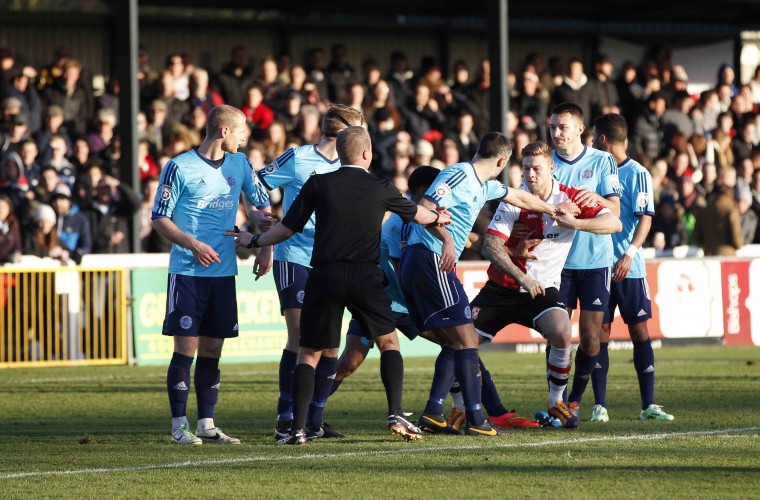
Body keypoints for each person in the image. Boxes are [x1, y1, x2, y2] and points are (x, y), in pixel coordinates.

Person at [231, 127, 450, 445]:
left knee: (308, 352)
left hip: (324, 275)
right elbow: (419, 215)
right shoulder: (381, 186)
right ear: (366, 154)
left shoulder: (319, 183)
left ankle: (298, 430)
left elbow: (287, 229)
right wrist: (439, 218)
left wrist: (253, 240)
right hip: (365, 276)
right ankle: (396, 414)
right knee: (389, 343)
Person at [399, 132, 577, 437]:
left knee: (458, 339)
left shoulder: (486, 186)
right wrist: (446, 241)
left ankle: (437, 412)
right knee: (464, 339)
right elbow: (423, 208)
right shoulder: (456, 175)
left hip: (430, 262)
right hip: (429, 258)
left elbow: (519, 197)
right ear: (502, 161)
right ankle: (473, 418)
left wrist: (552, 210)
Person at [471, 140, 620, 429]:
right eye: (526, 169)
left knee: (562, 331)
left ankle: (556, 402)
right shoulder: (515, 200)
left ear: (552, 168)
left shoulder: (571, 198)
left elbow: (614, 223)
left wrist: (576, 224)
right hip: (502, 288)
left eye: (536, 169)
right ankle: (461, 408)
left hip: (542, 291)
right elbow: (490, 247)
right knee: (461, 342)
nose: (530, 175)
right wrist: (522, 276)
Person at [151, 105, 273, 446]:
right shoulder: (179, 167)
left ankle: (206, 423)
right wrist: (192, 244)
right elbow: (159, 217)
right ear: (224, 132)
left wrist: (267, 246)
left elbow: (261, 208)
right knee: (186, 349)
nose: (245, 137)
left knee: (212, 351)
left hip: (223, 273)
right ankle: (179, 427)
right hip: (188, 272)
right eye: (241, 131)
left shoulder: (241, 163)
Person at [254, 104, 364, 441]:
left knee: (330, 345)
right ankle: (286, 417)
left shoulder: (353, 165)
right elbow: (257, 183)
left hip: (331, 260)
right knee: (302, 337)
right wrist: (265, 230)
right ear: (346, 129)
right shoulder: (297, 157)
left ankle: (314, 420)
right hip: (294, 256)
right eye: (361, 127)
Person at [589, 113, 675, 422]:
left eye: (591, 137)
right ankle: (600, 406)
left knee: (639, 331)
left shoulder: (638, 173)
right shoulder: (595, 170)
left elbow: (645, 218)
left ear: (602, 140)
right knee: (600, 334)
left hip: (630, 267)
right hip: (598, 266)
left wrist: (629, 253)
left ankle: (648, 405)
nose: (588, 142)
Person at [331, 166, 440, 392]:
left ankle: (463, 408)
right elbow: (402, 271)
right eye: (436, 188)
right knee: (349, 363)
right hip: (381, 302)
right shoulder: (400, 221)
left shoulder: (433, 217)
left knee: (458, 345)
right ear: (424, 190)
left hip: (407, 303)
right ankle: (308, 411)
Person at [547, 102, 621, 417]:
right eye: (552, 127)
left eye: (562, 127)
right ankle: (557, 402)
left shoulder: (603, 161)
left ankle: (575, 398)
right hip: (557, 264)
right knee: (557, 336)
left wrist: (599, 200)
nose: (556, 133)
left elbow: (615, 211)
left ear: (580, 129)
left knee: (591, 338)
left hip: (594, 261)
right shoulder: (545, 162)